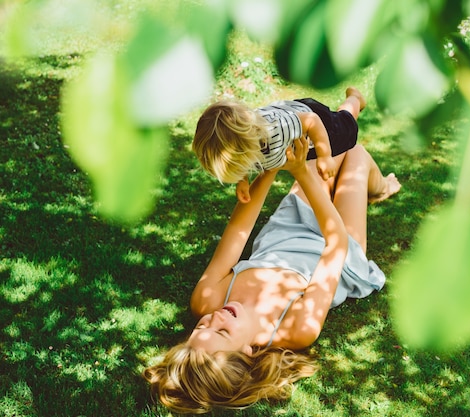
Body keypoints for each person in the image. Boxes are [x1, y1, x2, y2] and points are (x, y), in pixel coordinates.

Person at [143, 138, 401, 413]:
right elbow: (335, 243)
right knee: (356, 154)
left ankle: (362, 182)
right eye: (221, 331)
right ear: (246, 352)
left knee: (335, 144)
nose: (214, 317)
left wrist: (271, 169)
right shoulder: (297, 329)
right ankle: (382, 188)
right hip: (336, 252)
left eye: (201, 327)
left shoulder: (207, 300)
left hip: (285, 232)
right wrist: (301, 173)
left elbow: (238, 230)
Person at [192, 87, 366, 204]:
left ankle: (355, 99)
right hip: (293, 122)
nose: (244, 168)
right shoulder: (243, 144)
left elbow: (311, 121)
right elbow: (239, 158)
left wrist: (324, 156)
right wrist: (242, 181)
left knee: (346, 128)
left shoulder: (275, 130)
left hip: (313, 121)